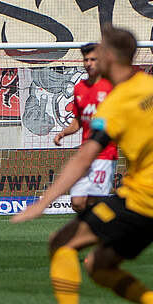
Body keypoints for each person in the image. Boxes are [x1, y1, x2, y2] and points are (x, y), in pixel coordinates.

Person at [12, 25, 153, 304]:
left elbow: (83, 157)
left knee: (60, 243)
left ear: (110, 56)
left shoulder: (116, 103)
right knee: (99, 267)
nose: (93, 57)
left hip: (142, 201)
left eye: (98, 51)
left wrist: (41, 203)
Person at [50, 43, 116, 213]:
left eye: (93, 59)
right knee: (77, 202)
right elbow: (78, 121)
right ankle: (106, 225)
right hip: (85, 153)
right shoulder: (79, 88)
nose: (89, 63)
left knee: (95, 200)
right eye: (86, 59)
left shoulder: (111, 87)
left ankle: (107, 232)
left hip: (105, 154)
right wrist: (64, 133)